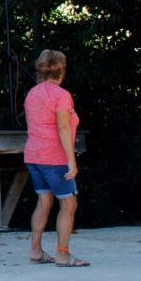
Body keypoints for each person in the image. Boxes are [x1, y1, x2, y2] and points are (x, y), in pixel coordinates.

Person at [24, 49, 89, 267]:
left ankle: (35, 251)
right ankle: (62, 253)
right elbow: (63, 127)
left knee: (44, 200)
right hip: (54, 157)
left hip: (33, 155)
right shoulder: (61, 95)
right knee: (69, 203)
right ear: (61, 70)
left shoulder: (32, 93)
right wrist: (72, 160)